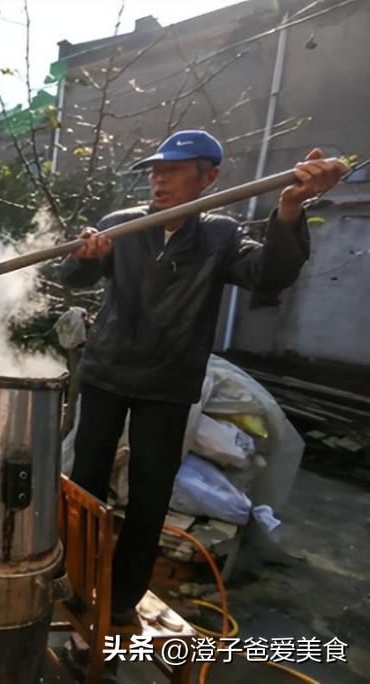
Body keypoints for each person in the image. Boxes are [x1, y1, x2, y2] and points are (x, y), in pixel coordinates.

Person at [59, 130, 347, 625]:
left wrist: (289, 209)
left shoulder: (220, 235)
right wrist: (82, 257)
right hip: (107, 372)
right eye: (155, 171)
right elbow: (75, 278)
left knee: (150, 493)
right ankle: (73, 579)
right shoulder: (121, 226)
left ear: (208, 178)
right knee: (85, 483)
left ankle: (122, 598)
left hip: (168, 383)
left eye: (173, 171)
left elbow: (269, 275)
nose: (159, 180)